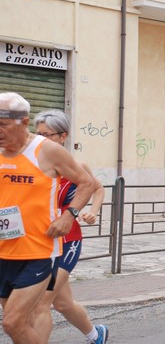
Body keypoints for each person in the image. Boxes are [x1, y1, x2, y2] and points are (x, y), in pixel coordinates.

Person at [0, 92, 95, 343]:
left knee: (13, 321)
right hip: (3, 251)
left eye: (3, 124)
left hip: (38, 251)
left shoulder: (47, 151)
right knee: (21, 323)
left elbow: (88, 183)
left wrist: (69, 216)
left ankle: (94, 333)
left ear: (23, 122)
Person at [31, 110, 108, 343]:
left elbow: (97, 188)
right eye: (37, 134)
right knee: (62, 303)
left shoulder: (76, 165)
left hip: (68, 242)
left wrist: (92, 212)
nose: (41, 139)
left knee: (42, 302)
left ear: (62, 136)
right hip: (40, 241)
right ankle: (97, 335)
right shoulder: (32, 164)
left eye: (47, 135)